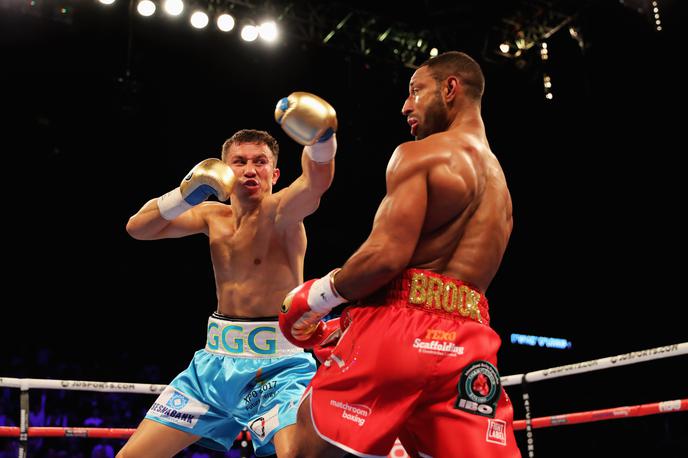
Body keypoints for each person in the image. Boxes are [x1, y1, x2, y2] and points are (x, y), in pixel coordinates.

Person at [280, 52, 522, 458]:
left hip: (399, 334)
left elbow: (385, 258)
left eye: (415, 91)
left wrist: (319, 296)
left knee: (299, 448)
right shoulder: (501, 188)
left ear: (450, 89)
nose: (405, 105)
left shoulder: (419, 154)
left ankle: (264, 409)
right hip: (470, 344)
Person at [117, 92, 339, 458]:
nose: (250, 169)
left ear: (275, 172)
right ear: (223, 169)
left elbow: (316, 184)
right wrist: (185, 194)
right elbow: (137, 228)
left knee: (297, 456)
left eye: (260, 162)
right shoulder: (210, 215)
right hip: (213, 363)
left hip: (279, 366)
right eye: (239, 162)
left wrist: (322, 140)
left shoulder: (282, 212)